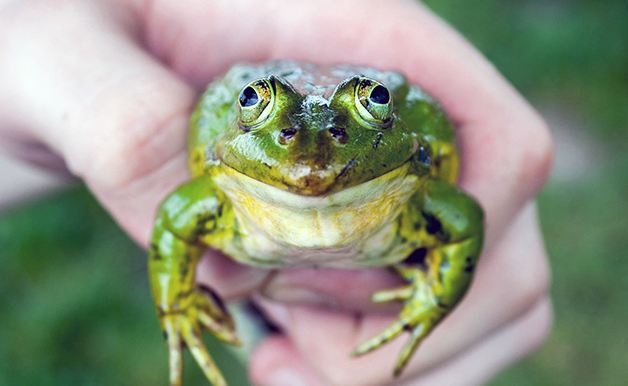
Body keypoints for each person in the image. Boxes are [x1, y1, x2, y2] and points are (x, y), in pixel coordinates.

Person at [0, 1, 554, 385]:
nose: (310, 157)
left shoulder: (417, 198)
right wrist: (179, 301)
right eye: (259, 107)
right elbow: (171, 218)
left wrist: (434, 300)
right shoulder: (215, 199)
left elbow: (464, 222)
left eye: (373, 104)